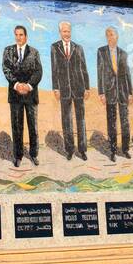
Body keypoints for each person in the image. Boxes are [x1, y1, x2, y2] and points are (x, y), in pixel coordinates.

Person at [50, 21, 91, 160]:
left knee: (81, 120)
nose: (67, 34)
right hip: (64, 89)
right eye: (64, 31)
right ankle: (69, 150)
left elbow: (84, 68)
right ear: (60, 32)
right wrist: (56, 87)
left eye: (68, 31)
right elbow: (54, 69)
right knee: (66, 120)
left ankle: (82, 150)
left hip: (79, 88)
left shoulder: (78, 48)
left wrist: (87, 87)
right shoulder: (54, 47)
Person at [3, 24, 43, 166]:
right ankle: (18, 156)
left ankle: (33, 155)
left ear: (26, 36)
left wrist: (28, 86)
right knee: (17, 127)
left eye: (21, 35)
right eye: (16, 35)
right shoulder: (8, 51)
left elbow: (38, 72)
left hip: (30, 95)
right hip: (15, 95)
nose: (18, 37)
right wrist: (16, 85)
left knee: (33, 127)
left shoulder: (34, 52)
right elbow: (6, 69)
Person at [97, 27, 133, 159]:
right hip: (109, 91)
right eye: (108, 35)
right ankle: (112, 151)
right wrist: (101, 92)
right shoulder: (101, 51)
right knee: (111, 122)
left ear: (117, 37)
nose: (110, 37)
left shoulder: (123, 53)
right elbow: (100, 72)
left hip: (123, 92)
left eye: (112, 35)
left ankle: (125, 149)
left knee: (125, 121)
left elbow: (128, 73)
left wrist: (130, 92)